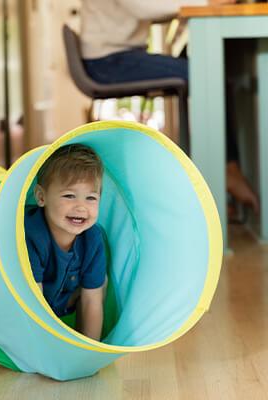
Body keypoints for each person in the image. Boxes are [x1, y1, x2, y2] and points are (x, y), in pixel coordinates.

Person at [80, 0, 259, 215]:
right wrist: (207, 2)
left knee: (200, 68)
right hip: (107, 61)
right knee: (204, 71)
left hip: (113, 56)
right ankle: (224, 170)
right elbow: (143, 7)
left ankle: (218, 171)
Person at [24, 144, 107, 341]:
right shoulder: (32, 234)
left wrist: (89, 352)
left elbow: (91, 302)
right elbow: (32, 302)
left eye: (91, 198)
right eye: (69, 196)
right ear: (41, 197)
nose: (81, 207)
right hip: (28, 306)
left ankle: (80, 342)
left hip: (66, 298)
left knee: (100, 284)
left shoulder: (93, 239)